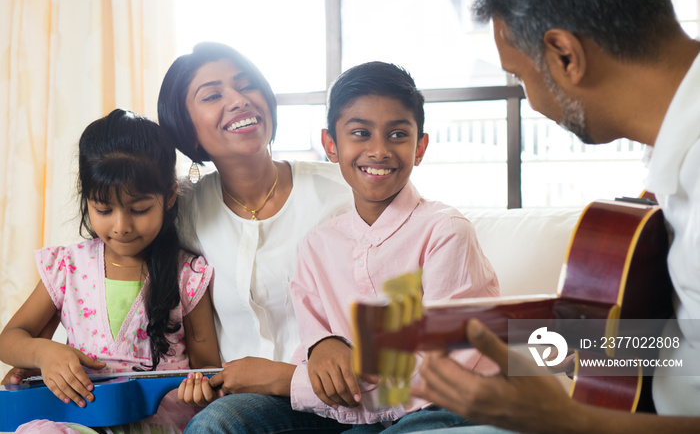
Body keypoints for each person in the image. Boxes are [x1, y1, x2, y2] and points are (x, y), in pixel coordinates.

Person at [410, 0, 700, 432]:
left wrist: (565, 420)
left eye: (520, 76)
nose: (529, 99)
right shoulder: (670, 155)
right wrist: (587, 345)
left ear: (565, 55)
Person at [185, 61, 500, 433]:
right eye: (361, 133)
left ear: (420, 147)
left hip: (443, 407)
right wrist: (322, 348)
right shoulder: (319, 245)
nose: (379, 150)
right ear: (331, 145)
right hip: (350, 410)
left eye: (398, 134)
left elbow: (442, 374)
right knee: (219, 423)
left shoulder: (445, 231)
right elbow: (313, 345)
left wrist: (288, 380)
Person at [156, 43, 353, 429]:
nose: (238, 100)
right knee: (214, 425)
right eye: (213, 95)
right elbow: (111, 272)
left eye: (247, 86)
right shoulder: (183, 211)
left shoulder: (339, 192)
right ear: (188, 131)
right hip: (246, 408)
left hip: (339, 395)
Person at [0, 109, 221, 432]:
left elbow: (207, 369)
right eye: (103, 209)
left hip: (158, 422)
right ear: (86, 200)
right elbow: (9, 339)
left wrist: (201, 390)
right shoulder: (67, 266)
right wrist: (44, 353)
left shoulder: (187, 274)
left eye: (139, 209)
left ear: (169, 197)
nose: (122, 227)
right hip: (82, 419)